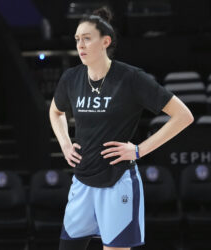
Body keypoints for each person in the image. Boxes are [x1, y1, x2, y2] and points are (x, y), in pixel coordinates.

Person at [49, 7, 194, 250]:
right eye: (77, 39)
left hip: (117, 182)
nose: (80, 45)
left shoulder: (130, 78)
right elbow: (55, 111)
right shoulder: (71, 78)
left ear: (105, 41)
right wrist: (64, 142)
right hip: (82, 181)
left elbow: (183, 116)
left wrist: (139, 150)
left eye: (87, 38)